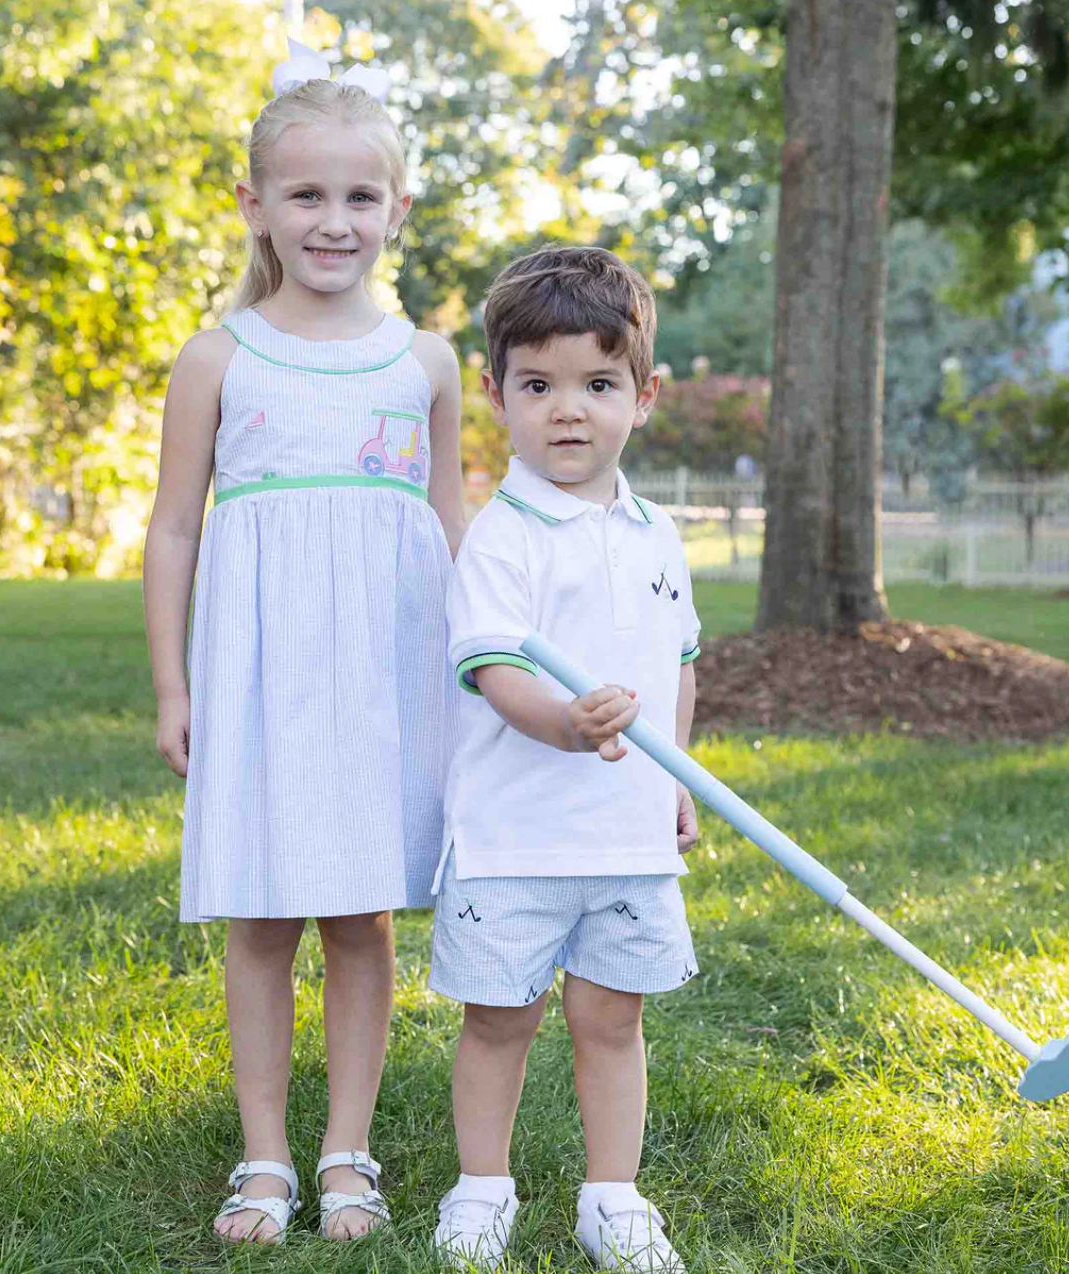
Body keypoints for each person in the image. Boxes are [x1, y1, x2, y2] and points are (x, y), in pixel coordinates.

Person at [142, 40, 464, 1246]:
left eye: (360, 195)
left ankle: (347, 1151)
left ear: (398, 207)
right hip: (260, 674)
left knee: (362, 912)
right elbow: (175, 528)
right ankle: (265, 1152)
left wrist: (480, 670)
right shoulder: (219, 357)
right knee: (264, 913)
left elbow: (449, 528)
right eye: (307, 194)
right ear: (255, 203)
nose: (335, 220)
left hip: (385, 675)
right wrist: (172, 684)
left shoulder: (423, 362)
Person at [429, 246, 699, 1272]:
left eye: (597, 384)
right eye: (538, 386)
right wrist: (567, 725)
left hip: (626, 840)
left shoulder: (657, 533)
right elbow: (496, 672)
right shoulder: (501, 536)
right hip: (514, 840)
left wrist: (675, 774)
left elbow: (678, 663)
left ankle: (612, 1197)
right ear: (496, 392)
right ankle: (481, 1187)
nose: (568, 412)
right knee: (500, 1020)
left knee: (612, 1020)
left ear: (643, 395)